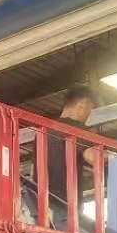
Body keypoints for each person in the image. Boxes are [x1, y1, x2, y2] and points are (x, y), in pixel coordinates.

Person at [42, 85, 98, 221]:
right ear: (83, 105)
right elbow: (93, 157)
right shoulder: (77, 130)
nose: (88, 116)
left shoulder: (43, 131)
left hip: (40, 205)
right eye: (90, 110)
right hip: (66, 206)